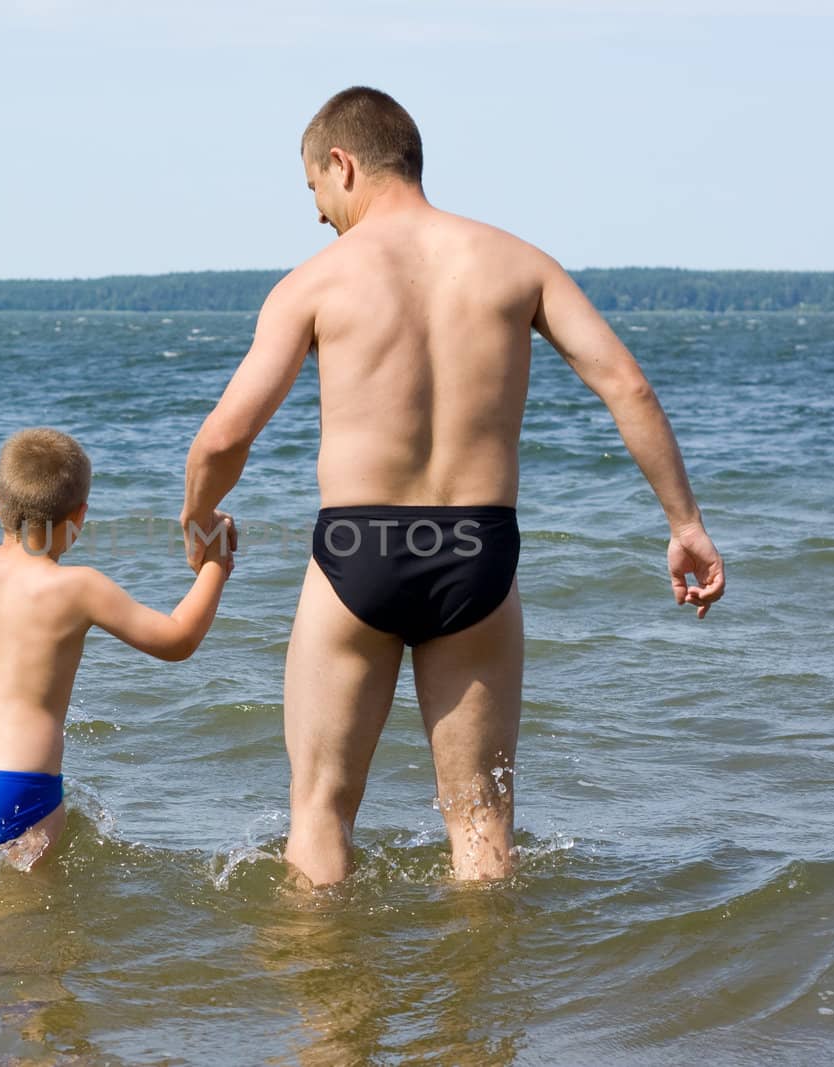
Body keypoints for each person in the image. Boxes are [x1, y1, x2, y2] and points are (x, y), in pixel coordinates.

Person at [180, 87, 725, 886]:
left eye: (315, 191)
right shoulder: (519, 263)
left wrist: (199, 519)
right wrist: (684, 522)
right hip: (477, 550)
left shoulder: (316, 282)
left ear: (343, 164)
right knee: (480, 824)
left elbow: (226, 434)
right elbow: (627, 386)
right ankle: (475, 1007)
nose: (319, 213)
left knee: (321, 812)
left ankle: (333, 1008)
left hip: (356, 550)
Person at [0, 427, 234, 868]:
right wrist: (216, 564)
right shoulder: (79, 587)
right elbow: (178, 640)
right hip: (19, 782)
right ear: (80, 518)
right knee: (20, 923)